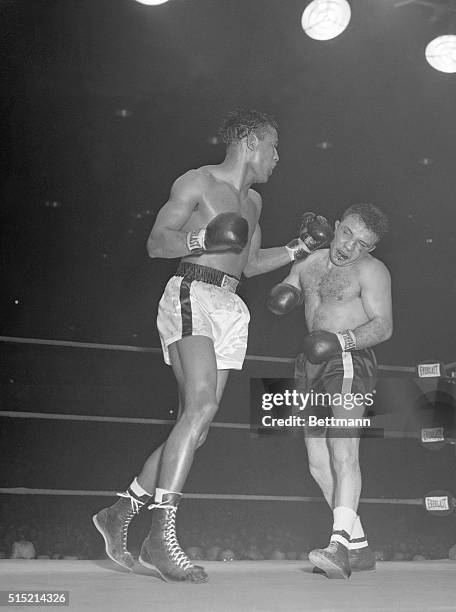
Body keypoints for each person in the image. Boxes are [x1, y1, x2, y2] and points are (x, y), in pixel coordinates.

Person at [93, 109, 333, 583]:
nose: (278, 157)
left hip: (230, 305)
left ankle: (120, 512)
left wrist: (300, 249)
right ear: (249, 141)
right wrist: (203, 237)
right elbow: (157, 242)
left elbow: (246, 264)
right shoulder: (197, 182)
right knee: (199, 407)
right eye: (274, 146)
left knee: (196, 426)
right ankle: (161, 538)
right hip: (191, 291)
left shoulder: (255, 204)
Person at [268, 203, 392, 579]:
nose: (350, 247)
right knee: (318, 462)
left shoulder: (372, 271)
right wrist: (283, 293)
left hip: (349, 358)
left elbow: (383, 326)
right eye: (347, 234)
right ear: (337, 227)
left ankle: (338, 545)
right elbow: (284, 294)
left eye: (362, 244)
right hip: (309, 362)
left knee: (343, 448)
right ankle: (359, 546)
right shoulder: (309, 264)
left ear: (370, 249)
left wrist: (341, 341)